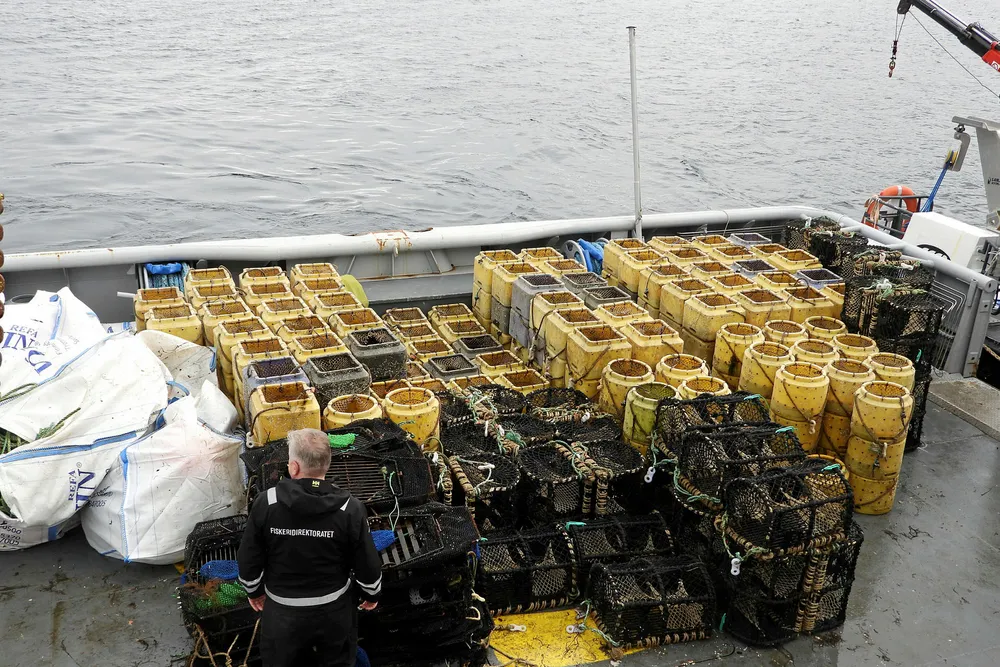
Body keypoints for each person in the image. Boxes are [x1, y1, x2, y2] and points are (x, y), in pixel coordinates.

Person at [238, 428, 382, 667]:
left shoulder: (267, 502)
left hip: (281, 616)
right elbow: (367, 561)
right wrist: (371, 594)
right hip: (334, 613)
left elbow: (248, 558)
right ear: (327, 465)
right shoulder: (350, 508)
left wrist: (254, 591)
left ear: (293, 467)